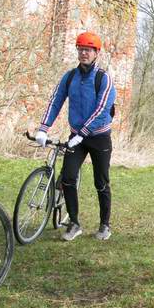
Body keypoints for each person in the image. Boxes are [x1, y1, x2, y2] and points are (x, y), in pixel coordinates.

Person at [35, 31, 116, 241]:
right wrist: (43, 128)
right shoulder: (70, 76)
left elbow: (102, 110)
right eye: (80, 49)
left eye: (88, 50)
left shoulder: (103, 78)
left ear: (96, 53)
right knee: (68, 178)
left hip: (98, 137)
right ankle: (74, 223)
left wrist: (83, 133)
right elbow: (56, 101)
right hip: (76, 137)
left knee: (101, 182)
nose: (83, 53)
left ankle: (104, 225)